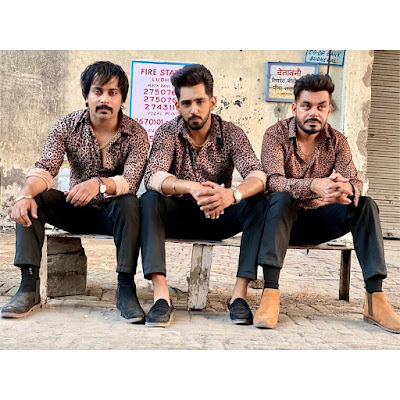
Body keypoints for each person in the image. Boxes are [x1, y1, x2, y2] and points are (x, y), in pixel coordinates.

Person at [1, 61, 150, 324]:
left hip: (115, 215)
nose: (104, 99)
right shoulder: (67, 126)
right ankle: (28, 286)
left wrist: (99, 184)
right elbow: (46, 167)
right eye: (98, 91)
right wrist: (24, 194)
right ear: (86, 95)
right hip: (75, 209)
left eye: (112, 93)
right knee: (34, 199)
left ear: (121, 99)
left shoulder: (135, 133)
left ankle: (126, 288)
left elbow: (131, 180)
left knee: (129, 203)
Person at [255, 73, 400, 333]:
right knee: (280, 198)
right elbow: (273, 181)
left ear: (329, 109)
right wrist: (313, 185)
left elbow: (354, 182)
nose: (314, 113)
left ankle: (375, 299)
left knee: (365, 205)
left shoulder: (337, 140)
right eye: (307, 106)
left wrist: (344, 190)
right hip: (280, 225)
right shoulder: (275, 135)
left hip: (320, 222)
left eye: (321, 106)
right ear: (294, 108)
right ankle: (270, 292)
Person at [140, 64, 267, 327]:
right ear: (177, 105)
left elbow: (258, 175)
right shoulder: (167, 132)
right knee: (149, 200)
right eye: (186, 103)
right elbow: (152, 176)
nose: (194, 109)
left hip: (217, 215)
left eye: (200, 101)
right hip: (177, 215)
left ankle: (239, 295)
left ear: (212, 101)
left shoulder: (231, 133)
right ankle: (161, 296)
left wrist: (232, 195)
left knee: (258, 202)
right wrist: (190, 187)